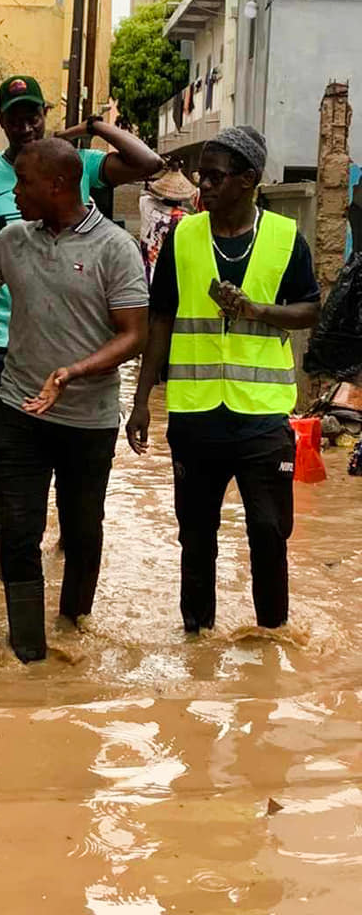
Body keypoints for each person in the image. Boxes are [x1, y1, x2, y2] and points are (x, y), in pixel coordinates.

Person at [0, 137, 149, 663]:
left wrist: (73, 371)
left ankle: (73, 629)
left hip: (88, 417)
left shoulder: (114, 248)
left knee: (83, 531)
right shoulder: (14, 241)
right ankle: (29, 653)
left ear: (59, 185)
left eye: (25, 183)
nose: (15, 194)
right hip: (19, 409)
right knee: (18, 529)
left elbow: (134, 335)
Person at [0, 74, 163, 578]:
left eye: (33, 114)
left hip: (81, 374)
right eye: (14, 116)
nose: (25, 124)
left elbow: (148, 164)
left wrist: (92, 127)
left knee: (79, 508)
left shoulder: (80, 168)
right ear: (0, 122)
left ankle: (69, 586)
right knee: (6, 485)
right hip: (6, 351)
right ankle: (7, 590)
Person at [126, 126, 321, 633]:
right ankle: (197, 639)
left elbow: (310, 311)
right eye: (200, 176)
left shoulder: (284, 239)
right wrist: (142, 400)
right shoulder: (183, 237)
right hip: (195, 415)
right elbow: (161, 319)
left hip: (262, 416)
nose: (201, 186)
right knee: (195, 535)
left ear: (248, 181)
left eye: (214, 177)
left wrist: (258, 309)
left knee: (268, 530)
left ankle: (272, 640)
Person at [138, 162, 196, 283]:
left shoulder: (146, 204)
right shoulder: (184, 219)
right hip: (167, 271)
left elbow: (146, 194)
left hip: (143, 267)